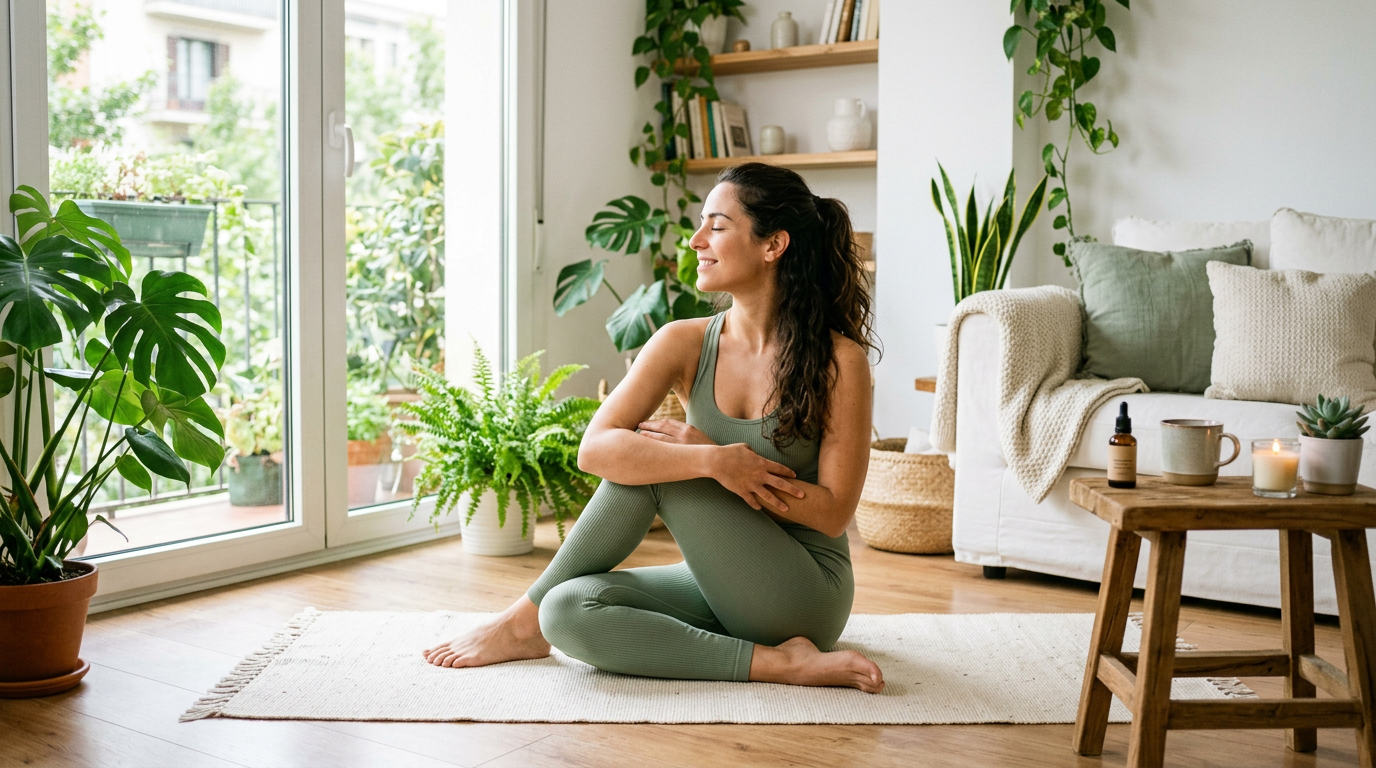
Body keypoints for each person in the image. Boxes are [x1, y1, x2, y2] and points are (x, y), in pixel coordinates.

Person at [423, 163, 884, 693]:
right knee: (567, 608)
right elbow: (593, 449)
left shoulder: (838, 361)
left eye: (717, 225)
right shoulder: (683, 342)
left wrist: (717, 461)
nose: (695, 240)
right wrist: (713, 461)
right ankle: (778, 663)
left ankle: (515, 622)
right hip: (722, 583)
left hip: (805, 593)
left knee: (658, 462)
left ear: (772, 245)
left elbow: (833, 513)